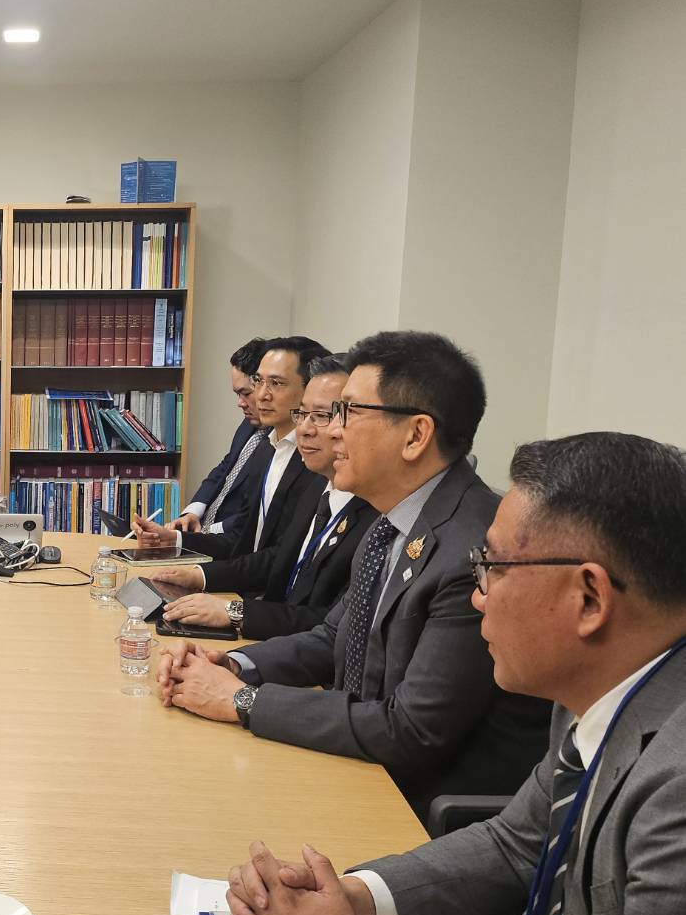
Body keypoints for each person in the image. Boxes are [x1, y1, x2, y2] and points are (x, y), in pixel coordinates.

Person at [222, 432, 686, 915]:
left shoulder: (676, 787)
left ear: (588, 598)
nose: (477, 594)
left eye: (492, 568)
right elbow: (515, 843)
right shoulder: (608, 687)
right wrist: (350, 902)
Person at [156, 331, 550, 818]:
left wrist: (243, 701)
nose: (331, 431)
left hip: (410, 808)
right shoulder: (393, 519)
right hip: (355, 769)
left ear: (415, 435)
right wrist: (233, 666)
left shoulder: (472, 549)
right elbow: (332, 637)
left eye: (347, 412)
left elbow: (410, 730)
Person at [151, 355, 378, 640]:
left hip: (289, 643)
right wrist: (199, 575)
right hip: (271, 632)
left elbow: (334, 626)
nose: (305, 429)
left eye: (323, 416)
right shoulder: (317, 485)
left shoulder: (376, 514)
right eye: (303, 414)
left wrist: (235, 612)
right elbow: (277, 558)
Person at [134, 336, 328, 561]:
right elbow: (226, 472)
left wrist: (199, 568)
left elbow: (271, 555)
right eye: (259, 382)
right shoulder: (265, 442)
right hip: (222, 550)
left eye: (276, 383)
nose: (261, 395)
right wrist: (176, 536)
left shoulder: (314, 461)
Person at [169, 337, 268, 538]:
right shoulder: (249, 424)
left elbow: (259, 511)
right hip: (204, 530)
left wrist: (205, 533)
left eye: (246, 393)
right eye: (237, 394)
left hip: (230, 540)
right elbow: (226, 466)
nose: (240, 403)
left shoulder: (282, 443)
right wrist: (193, 512)